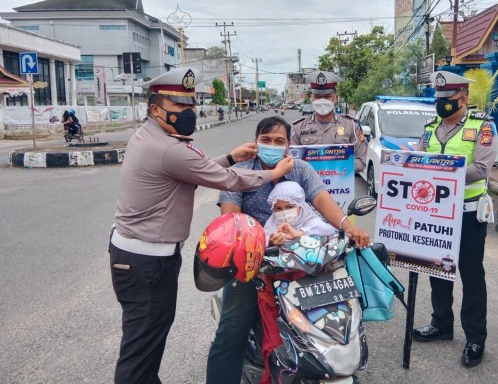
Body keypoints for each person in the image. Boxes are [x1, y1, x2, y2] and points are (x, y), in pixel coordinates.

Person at [109, 67, 293, 384]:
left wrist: (231, 156)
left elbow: (196, 169)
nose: (189, 112)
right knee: (140, 352)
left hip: (141, 257)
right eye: (179, 106)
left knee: (148, 341)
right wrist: (273, 175)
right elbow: (226, 180)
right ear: (156, 109)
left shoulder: (155, 136)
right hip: (147, 262)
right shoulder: (167, 148)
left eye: (191, 104)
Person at [206, 115, 370, 384]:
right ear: (256, 142)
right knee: (231, 331)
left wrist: (347, 227)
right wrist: (263, 242)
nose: (272, 144)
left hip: (300, 260)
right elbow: (231, 219)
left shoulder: (301, 169)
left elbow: (322, 200)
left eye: (279, 141)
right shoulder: (240, 171)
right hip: (254, 263)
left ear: (288, 145)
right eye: (266, 140)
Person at [412, 71, 498, 368]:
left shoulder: (482, 127)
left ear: (463, 99)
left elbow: (480, 169)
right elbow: (418, 159)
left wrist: (438, 170)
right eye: (438, 100)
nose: (442, 105)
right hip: (435, 212)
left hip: (467, 213)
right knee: (438, 270)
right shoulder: (430, 127)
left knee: (472, 275)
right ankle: (441, 324)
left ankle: (475, 337)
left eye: (447, 100)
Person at [290, 70, 368, 174]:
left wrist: (333, 171)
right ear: (311, 98)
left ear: (335, 98)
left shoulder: (351, 126)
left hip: (341, 186)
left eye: (327, 97)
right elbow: (291, 160)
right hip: (307, 187)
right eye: (317, 97)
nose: (322, 100)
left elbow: (360, 161)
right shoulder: (298, 127)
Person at [263, 180, 337, 245]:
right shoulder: (272, 225)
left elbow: (329, 231)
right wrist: (271, 244)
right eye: (278, 208)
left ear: (300, 206)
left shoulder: (310, 221)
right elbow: (261, 242)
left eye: (289, 207)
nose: (284, 212)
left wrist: (299, 234)